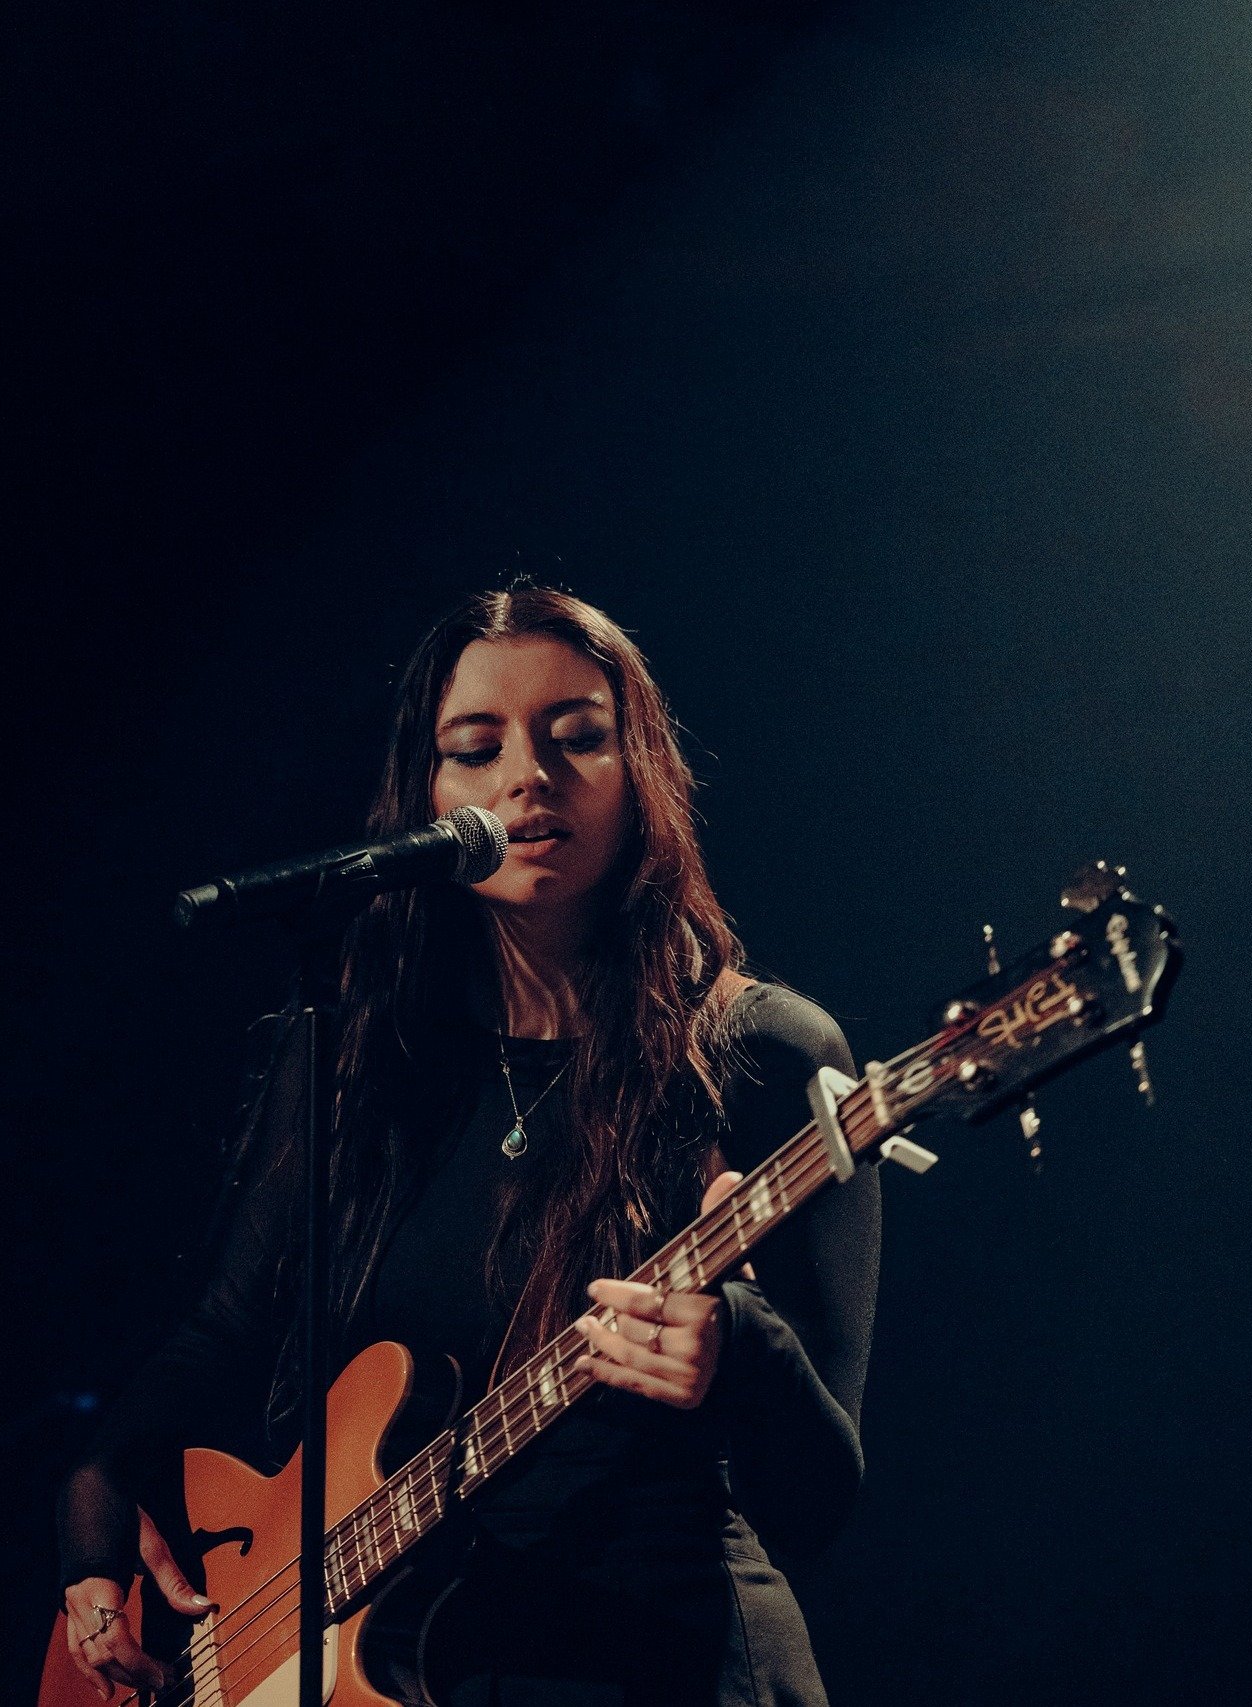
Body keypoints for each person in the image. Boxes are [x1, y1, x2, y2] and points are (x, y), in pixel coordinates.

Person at [56, 586, 881, 1707]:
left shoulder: (761, 1052)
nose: (526, 776)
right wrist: (100, 1500)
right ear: (426, 794)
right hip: (410, 1663)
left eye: (577, 736)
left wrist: (736, 1349)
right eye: (475, 748)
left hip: (663, 1662)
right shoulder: (360, 1054)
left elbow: (822, 1505)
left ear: (641, 771)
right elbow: (226, 1326)